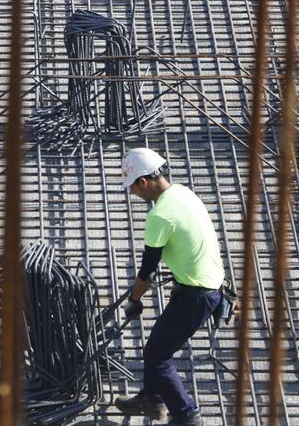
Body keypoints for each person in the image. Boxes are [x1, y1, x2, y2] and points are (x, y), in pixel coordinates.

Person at [113, 148, 224, 425]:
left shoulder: (160, 215)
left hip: (197, 295)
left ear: (143, 182)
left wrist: (134, 302)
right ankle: (152, 398)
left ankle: (186, 415)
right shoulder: (183, 193)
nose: (134, 195)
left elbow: (147, 271)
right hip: (208, 285)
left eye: (133, 189)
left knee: (157, 356)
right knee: (156, 344)